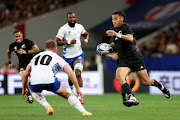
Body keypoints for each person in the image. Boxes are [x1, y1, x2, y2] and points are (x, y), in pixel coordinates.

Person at [105, 11, 170, 107]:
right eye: (112, 19)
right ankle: (131, 97)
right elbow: (113, 44)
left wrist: (117, 34)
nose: (113, 21)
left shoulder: (125, 27)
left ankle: (161, 86)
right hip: (124, 59)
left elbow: (130, 39)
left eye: (116, 18)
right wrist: (104, 49)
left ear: (122, 19)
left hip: (135, 57)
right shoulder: (113, 30)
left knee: (146, 81)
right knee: (119, 77)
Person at [22, 40, 92, 116]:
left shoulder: (35, 57)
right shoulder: (57, 57)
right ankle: (83, 111)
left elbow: (26, 74)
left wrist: (24, 89)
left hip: (34, 82)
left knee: (33, 91)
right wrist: (78, 89)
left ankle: (47, 106)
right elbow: (71, 73)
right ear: (55, 49)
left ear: (45, 49)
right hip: (50, 80)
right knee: (67, 94)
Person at [55, 12, 89, 104]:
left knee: (78, 73)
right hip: (67, 57)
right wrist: (69, 42)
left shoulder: (80, 27)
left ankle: (80, 96)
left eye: (73, 17)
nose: (72, 19)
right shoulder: (63, 29)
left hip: (78, 55)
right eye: (70, 18)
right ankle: (71, 90)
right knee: (71, 77)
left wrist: (86, 40)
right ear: (67, 19)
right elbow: (57, 42)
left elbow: (86, 34)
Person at [7, 30, 39, 103]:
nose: (18, 38)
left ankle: (34, 91)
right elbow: (8, 52)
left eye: (19, 36)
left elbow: (36, 49)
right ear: (14, 37)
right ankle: (29, 96)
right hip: (22, 65)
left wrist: (26, 52)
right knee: (24, 77)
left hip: (32, 63)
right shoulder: (12, 45)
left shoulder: (27, 42)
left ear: (22, 36)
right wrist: (9, 62)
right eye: (16, 36)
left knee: (33, 79)